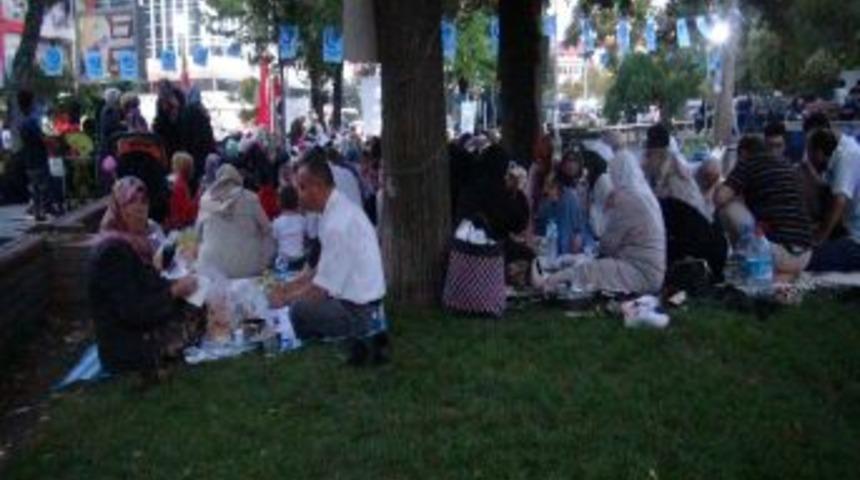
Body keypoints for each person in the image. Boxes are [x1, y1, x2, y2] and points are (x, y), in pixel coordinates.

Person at [269, 151, 387, 364]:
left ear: (317, 187)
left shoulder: (337, 223)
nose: (298, 194)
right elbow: (319, 270)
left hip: (360, 313)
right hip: (360, 304)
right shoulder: (336, 210)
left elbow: (320, 290)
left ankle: (323, 337)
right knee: (298, 303)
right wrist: (289, 286)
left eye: (302, 187)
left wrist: (284, 299)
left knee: (299, 311)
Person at [89, 177, 202, 374]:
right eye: (132, 203)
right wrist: (174, 291)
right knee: (196, 312)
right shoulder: (112, 252)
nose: (140, 209)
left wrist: (176, 285)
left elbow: (148, 285)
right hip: (127, 346)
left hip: (136, 330)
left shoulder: (133, 244)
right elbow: (134, 311)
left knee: (198, 301)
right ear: (118, 208)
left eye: (144, 202)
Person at [532, 149, 666, 294]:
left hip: (639, 272)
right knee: (591, 266)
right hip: (648, 270)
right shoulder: (644, 196)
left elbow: (609, 244)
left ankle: (549, 281)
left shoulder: (628, 199)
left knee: (590, 271)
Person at [716, 135, 813, 281]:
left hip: (776, 252)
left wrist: (735, 193)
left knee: (728, 207)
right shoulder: (786, 165)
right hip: (805, 254)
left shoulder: (748, 163)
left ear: (743, 153)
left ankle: (744, 260)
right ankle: (784, 275)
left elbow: (719, 198)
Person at [195, 164, 275, 278]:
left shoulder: (205, 200)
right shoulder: (250, 198)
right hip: (248, 267)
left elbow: (197, 234)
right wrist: (265, 259)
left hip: (211, 268)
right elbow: (268, 230)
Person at [805, 128, 860, 271]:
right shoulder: (841, 154)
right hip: (850, 231)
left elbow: (839, 201)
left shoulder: (846, 157)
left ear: (818, 152)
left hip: (856, 240)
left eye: (810, 154)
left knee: (808, 259)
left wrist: (820, 238)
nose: (808, 158)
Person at [642, 123, 711, 221]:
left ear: (660, 154)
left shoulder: (675, 176)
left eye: (648, 155)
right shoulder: (670, 163)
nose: (646, 160)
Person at [16, 89, 49, 221]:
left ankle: (37, 211)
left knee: (34, 186)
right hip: (38, 157)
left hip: (28, 157)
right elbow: (40, 139)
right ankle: (40, 211)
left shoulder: (22, 122)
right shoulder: (31, 121)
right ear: (30, 103)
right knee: (41, 185)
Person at [178, 86, 216, 192]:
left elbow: (184, 137)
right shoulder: (202, 112)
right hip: (203, 155)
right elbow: (209, 137)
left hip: (191, 156)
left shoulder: (185, 112)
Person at [272, 185, 307, 271]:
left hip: (283, 261)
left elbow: (275, 241)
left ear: (279, 202)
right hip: (300, 261)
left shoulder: (277, 223)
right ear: (297, 202)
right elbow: (306, 237)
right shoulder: (302, 220)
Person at [166, 151, 198, 231]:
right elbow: (187, 214)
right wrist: (199, 196)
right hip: (180, 228)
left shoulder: (169, 180)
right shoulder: (180, 185)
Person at [98, 88, 124, 158]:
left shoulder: (112, 109)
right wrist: (123, 126)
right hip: (109, 144)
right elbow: (108, 127)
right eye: (119, 98)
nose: (120, 100)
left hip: (110, 142)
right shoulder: (109, 110)